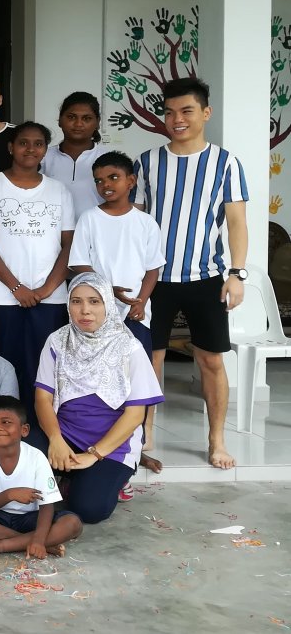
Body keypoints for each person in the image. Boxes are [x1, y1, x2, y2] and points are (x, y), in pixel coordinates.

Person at [132, 77, 249, 470]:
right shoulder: (147, 162)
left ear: (205, 113)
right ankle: (144, 433)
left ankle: (216, 439)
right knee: (151, 358)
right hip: (155, 280)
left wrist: (238, 273)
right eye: (169, 112)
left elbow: (236, 223)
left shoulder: (226, 162)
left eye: (186, 111)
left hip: (206, 276)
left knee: (211, 360)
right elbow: (138, 221)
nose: (176, 119)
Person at [0, 121, 75, 448]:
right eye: (24, 143)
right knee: (3, 372)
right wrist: (17, 288)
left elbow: (69, 245)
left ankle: (42, 442)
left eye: (39, 143)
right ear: (10, 147)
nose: (31, 149)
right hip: (0, 298)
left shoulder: (59, 191)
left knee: (44, 374)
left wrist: (44, 290)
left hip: (50, 300)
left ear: (45, 149)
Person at [35, 273, 164, 523]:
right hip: (65, 435)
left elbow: (136, 414)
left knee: (89, 510)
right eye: (76, 301)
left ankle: (102, 477)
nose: (85, 310)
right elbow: (42, 398)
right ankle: (72, 475)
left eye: (95, 301)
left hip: (113, 445)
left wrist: (94, 454)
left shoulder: (130, 347)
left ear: (108, 303)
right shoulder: (57, 341)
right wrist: (56, 439)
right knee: (19, 460)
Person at [70, 150, 166, 474]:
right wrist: (106, 291)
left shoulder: (145, 223)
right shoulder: (89, 219)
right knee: (96, 384)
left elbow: (153, 269)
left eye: (113, 177)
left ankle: (134, 451)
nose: (105, 185)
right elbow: (79, 263)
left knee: (134, 387)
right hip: (95, 319)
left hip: (136, 316)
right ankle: (98, 449)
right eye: (99, 180)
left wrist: (140, 301)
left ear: (131, 181)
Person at [0, 395, 83, 557]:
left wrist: (38, 538)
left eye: (6, 422)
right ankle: (37, 543)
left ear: (24, 430)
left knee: (72, 523)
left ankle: (3, 545)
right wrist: (10, 495)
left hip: (31, 518)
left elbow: (47, 506)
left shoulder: (36, 457)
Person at [43, 92, 104, 217]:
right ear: (60, 120)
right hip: (52, 233)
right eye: (71, 117)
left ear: (97, 122)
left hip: (97, 233)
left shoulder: (109, 159)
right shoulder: (43, 157)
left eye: (86, 118)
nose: (78, 124)